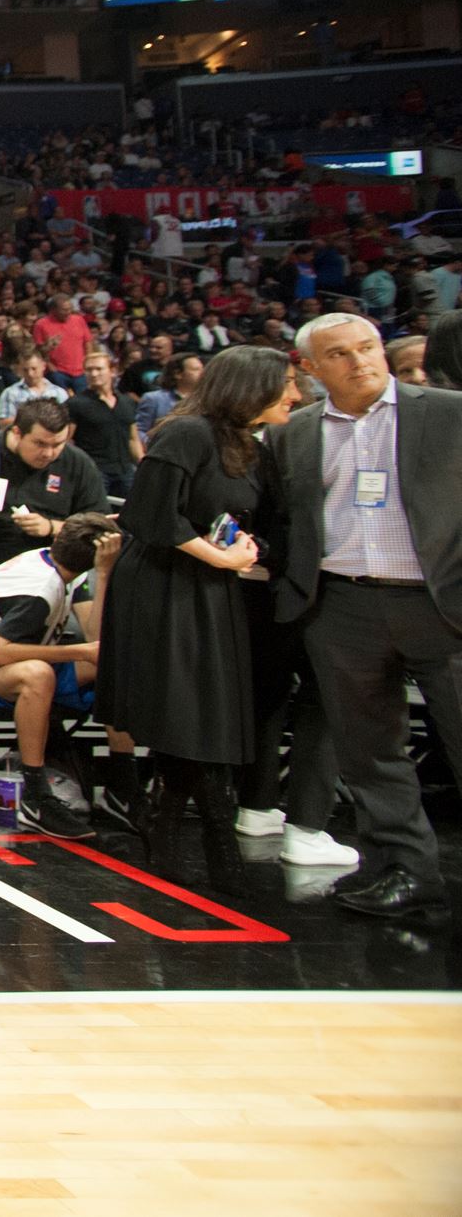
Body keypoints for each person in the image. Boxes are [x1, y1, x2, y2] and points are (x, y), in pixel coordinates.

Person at [270, 313, 462, 920]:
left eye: (368, 347)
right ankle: (404, 875)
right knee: (370, 752)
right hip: (343, 604)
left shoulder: (448, 412)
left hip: (442, 604)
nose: (361, 362)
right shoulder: (293, 434)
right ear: (311, 368)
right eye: (342, 354)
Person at [98, 345, 297, 892]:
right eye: (286, 385)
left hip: (210, 587)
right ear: (251, 388)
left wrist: (243, 555)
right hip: (164, 588)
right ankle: (215, 839)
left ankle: (164, 824)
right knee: (194, 714)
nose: (297, 396)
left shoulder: (251, 445)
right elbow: (150, 514)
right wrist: (225, 558)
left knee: (200, 717)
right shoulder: (186, 433)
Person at [0, 512, 119, 839]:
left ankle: (122, 789)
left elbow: (95, 635)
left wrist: (104, 573)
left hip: (6, 657)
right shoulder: (41, 589)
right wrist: (78, 652)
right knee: (38, 674)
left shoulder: (60, 566)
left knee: (114, 663)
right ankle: (37, 794)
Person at [0, 397, 107, 569]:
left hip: (51, 567)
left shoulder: (77, 463)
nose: (48, 453)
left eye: (57, 444)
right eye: (40, 444)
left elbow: (100, 524)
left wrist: (52, 527)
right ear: (17, 433)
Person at [66, 348, 143, 499]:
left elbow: (133, 438)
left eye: (99, 369)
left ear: (112, 370)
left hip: (125, 469)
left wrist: (142, 462)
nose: (94, 374)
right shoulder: (75, 404)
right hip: (94, 470)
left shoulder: (127, 402)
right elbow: (67, 439)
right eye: (89, 370)